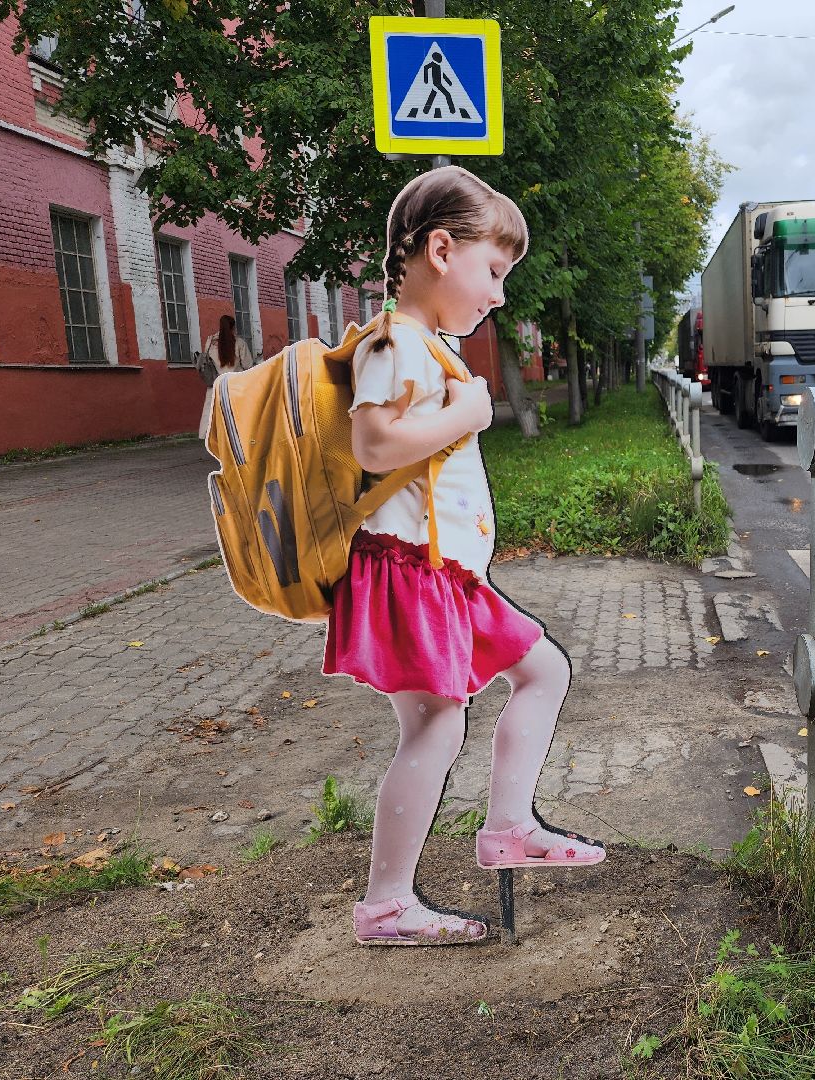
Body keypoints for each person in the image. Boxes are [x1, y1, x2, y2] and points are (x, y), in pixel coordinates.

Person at [328, 166, 604, 947]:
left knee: (543, 670)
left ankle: (509, 827)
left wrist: (462, 407)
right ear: (441, 250)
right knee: (435, 730)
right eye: (494, 271)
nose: (499, 294)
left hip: (444, 575)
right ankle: (385, 906)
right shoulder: (397, 344)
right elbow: (375, 443)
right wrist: (470, 414)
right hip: (408, 572)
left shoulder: (428, 347)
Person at [198, 315, 255, 439]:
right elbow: (248, 365)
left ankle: (219, 445)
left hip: (216, 386)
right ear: (233, 327)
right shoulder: (239, 343)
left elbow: (207, 362)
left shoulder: (210, 343)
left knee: (216, 418)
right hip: (235, 386)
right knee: (237, 419)